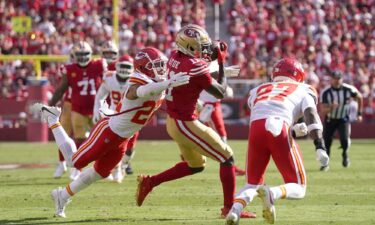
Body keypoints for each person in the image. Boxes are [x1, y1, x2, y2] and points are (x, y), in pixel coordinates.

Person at [31, 47, 190, 218]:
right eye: (156, 65)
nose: (161, 69)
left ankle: (62, 196)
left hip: (123, 137)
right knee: (73, 162)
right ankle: (53, 119)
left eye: (161, 65)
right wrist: (168, 83)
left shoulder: (158, 81)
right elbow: (143, 91)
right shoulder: (138, 80)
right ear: (144, 67)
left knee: (100, 172)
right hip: (109, 131)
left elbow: (166, 89)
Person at [136, 24, 255, 219]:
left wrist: (213, 55)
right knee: (227, 158)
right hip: (185, 123)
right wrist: (222, 63)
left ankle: (150, 182)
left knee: (196, 165)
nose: (204, 50)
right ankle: (229, 209)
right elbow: (220, 91)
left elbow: (196, 65)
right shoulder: (194, 65)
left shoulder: (175, 55)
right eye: (200, 46)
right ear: (189, 47)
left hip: (174, 121)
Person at [225, 58, 330, 225]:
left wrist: (292, 130)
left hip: (256, 129)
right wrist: (320, 145)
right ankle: (272, 193)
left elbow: (264, 112)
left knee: (252, 183)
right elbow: (311, 114)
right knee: (298, 187)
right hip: (279, 126)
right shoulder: (304, 88)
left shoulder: (258, 89)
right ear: (298, 75)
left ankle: (234, 212)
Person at [93, 54, 134, 183]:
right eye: (122, 66)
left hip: (131, 117)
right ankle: (114, 169)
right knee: (110, 145)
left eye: (127, 66)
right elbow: (100, 95)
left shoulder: (136, 80)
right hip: (114, 115)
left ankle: (123, 166)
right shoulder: (110, 77)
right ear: (116, 66)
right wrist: (96, 110)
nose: (124, 69)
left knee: (129, 148)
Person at [320, 70, 363, 170]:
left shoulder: (348, 89)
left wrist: (359, 113)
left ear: (342, 79)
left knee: (344, 140)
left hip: (343, 118)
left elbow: (359, 97)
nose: (337, 81)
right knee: (327, 142)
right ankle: (325, 164)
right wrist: (331, 107)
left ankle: (345, 154)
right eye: (335, 79)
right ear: (332, 79)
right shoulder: (326, 92)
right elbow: (322, 111)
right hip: (330, 119)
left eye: (339, 79)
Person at [198, 89, 246, 176]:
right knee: (221, 137)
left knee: (210, 136)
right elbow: (211, 79)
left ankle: (188, 156)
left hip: (211, 104)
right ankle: (232, 167)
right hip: (209, 105)